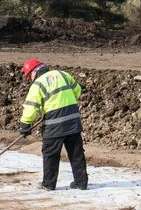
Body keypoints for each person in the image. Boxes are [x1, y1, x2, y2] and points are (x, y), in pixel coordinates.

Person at [19, 58, 88, 191]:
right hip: (73, 121)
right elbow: (77, 91)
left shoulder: (38, 84)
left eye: (30, 77)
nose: (30, 80)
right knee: (76, 153)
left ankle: (48, 184)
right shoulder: (63, 74)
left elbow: (31, 107)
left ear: (34, 72)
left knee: (50, 154)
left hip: (54, 124)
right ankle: (81, 183)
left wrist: (25, 125)